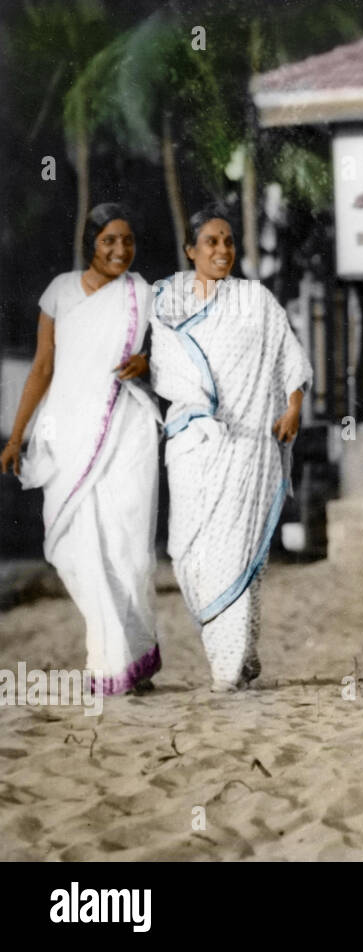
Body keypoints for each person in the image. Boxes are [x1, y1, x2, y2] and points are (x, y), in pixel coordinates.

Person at [150, 205, 311, 693]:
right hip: (195, 443)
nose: (222, 251)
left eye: (228, 242)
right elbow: (161, 362)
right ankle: (240, 652)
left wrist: (293, 407)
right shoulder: (169, 302)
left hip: (251, 446)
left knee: (239, 551)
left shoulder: (256, 300)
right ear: (191, 251)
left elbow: (290, 358)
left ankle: (229, 664)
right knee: (188, 551)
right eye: (211, 242)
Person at [1, 203, 161, 695]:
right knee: (73, 545)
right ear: (91, 241)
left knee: (128, 545)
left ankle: (122, 661)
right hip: (69, 431)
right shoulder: (61, 292)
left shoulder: (143, 294)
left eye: (128, 240)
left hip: (128, 428)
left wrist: (147, 362)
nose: (120, 250)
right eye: (109, 240)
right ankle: (116, 652)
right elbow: (43, 369)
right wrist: (16, 434)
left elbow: (170, 357)